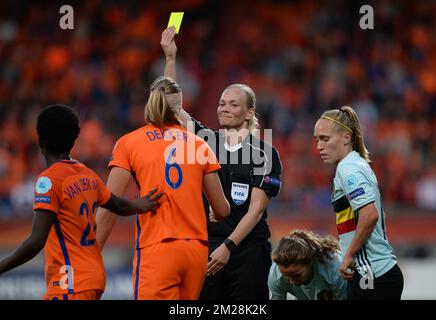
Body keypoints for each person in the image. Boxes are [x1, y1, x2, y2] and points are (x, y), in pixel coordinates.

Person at [161, 27, 283, 299]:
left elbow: (255, 211)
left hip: (247, 250)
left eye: (233, 104)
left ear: (249, 112)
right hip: (209, 246)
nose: (224, 108)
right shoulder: (206, 141)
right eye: (221, 103)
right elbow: (172, 109)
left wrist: (229, 246)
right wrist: (170, 59)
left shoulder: (264, 154)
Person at [0, 105, 162, 300]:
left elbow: (37, 241)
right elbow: (117, 205)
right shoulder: (87, 175)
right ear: (73, 140)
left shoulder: (48, 180)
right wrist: (139, 205)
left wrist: (2, 266)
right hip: (93, 277)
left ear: (41, 143)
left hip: (70, 282)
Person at [96, 77, 230, 300]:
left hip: (158, 247)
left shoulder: (130, 143)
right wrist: (213, 213)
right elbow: (223, 209)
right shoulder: (199, 143)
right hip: (196, 252)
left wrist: (91, 253)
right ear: (180, 108)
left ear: (151, 103)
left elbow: (109, 204)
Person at [313, 106, 404, 300]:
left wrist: (348, 256)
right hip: (377, 273)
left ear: (346, 137)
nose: (319, 146)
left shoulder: (348, 169)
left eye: (325, 139)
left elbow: (369, 215)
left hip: (371, 274)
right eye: (317, 139)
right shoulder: (357, 163)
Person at [268, 230, 347, 300]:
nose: (292, 282)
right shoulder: (275, 274)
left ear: (311, 261)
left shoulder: (335, 268)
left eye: (297, 275)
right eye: (286, 276)